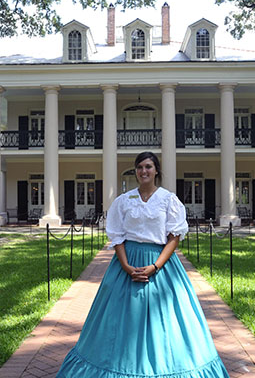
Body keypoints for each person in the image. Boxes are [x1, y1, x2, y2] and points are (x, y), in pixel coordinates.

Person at [57, 151, 229, 378]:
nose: (143, 171)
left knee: (167, 320)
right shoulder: (123, 201)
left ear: (156, 170)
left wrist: (155, 266)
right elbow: (117, 236)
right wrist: (126, 266)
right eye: (139, 167)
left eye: (148, 166)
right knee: (116, 321)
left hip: (162, 265)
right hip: (126, 264)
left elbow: (174, 238)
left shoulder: (169, 200)